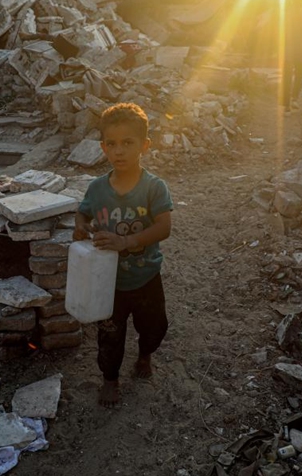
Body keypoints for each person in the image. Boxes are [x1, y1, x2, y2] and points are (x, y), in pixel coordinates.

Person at [73, 103, 174, 408]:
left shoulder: (154, 188)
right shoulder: (97, 189)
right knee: (109, 336)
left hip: (146, 277)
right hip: (109, 283)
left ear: (145, 145)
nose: (119, 151)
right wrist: (81, 227)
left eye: (128, 143)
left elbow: (164, 227)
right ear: (103, 147)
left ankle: (145, 354)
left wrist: (126, 241)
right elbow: (82, 213)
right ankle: (110, 379)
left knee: (154, 327)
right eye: (112, 144)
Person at [282, 0, 302, 112]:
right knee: (300, 74)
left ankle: (286, 103)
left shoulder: (286, 14)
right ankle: (294, 98)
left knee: (287, 75)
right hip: (301, 50)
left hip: (287, 49)